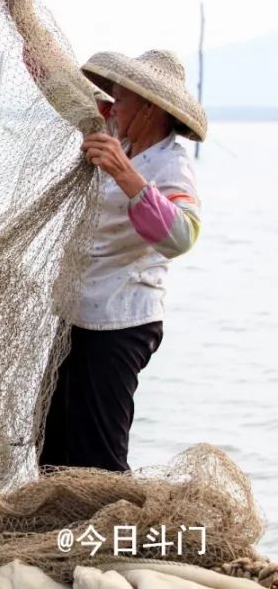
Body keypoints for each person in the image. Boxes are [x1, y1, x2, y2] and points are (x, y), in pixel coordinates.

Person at [39, 49, 207, 472]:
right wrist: (26, 31)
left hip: (120, 323)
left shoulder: (170, 165)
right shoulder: (120, 135)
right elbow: (66, 95)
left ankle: (114, 536)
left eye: (121, 97)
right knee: (54, 444)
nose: (111, 105)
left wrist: (126, 176)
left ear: (150, 106)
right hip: (76, 315)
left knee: (98, 458)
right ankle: (59, 533)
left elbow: (182, 236)